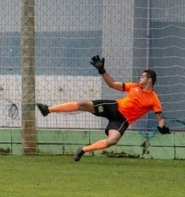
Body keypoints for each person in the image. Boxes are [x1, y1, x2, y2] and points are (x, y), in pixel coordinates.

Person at [36, 55, 170, 161]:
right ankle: (48, 110)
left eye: (142, 77)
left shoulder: (154, 99)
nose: (139, 78)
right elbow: (112, 84)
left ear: (149, 80)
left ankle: (82, 150)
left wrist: (161, 127)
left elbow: (160, 117)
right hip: (113, 108)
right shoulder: (134, 86)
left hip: (121, 120)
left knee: (113, 140)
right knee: (83, 104)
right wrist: (102, 71)